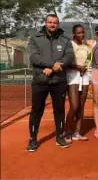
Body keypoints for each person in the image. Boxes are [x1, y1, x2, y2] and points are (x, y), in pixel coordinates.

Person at [26, 14, 74, 152]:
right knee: (36, 111)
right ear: (45, 23)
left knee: (59, 111)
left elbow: (69, 57)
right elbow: (34, 57)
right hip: (40, 80)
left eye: (55, 22)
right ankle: (33, 139)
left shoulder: (65, 39)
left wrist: (55, 67)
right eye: (50, 22)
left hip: (59, 81)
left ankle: (60, 137)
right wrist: (52, 64)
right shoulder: (35, 39)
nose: (52, 25)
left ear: (58, 24)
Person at [64, 24, 91, 143]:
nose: (82, 34)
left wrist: (85, 68)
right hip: (72, 75)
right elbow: (66, 62)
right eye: (79, 32)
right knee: (74, 105)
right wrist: (77, 67)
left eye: (83, 32)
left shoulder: (86, 46)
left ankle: (77, 132)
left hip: (84, 76)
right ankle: (67, 131)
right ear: (74, 34)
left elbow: (89, 60)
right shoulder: (70, 45)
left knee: (81, 105)